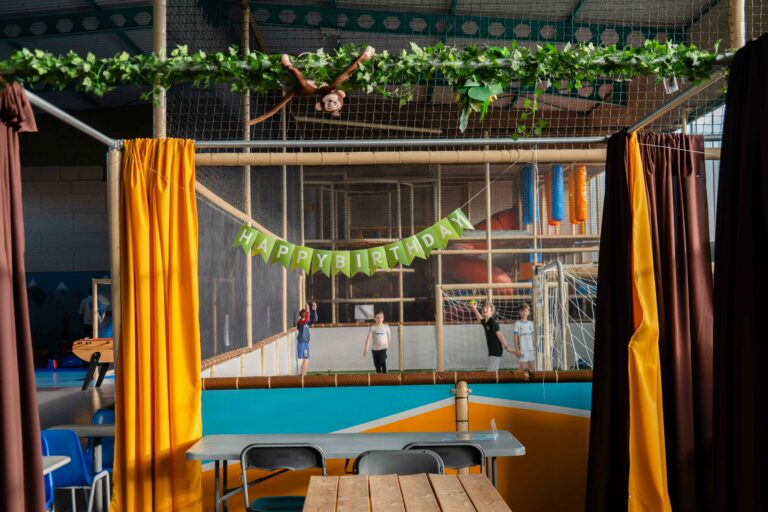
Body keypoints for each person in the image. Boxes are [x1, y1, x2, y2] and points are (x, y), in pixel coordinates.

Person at [471, 301, 516, 371]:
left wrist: (506, 347)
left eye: (487, 308)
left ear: (491, 311)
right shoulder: (486, 322)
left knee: (490, 373)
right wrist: (474, 309)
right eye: (483, 308)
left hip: (496, 351)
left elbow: (500, 335)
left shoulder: (492, 322)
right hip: (492, 351)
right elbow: (480, 319)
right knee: (493, 372)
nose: (484, 309)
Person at [296, 301, 318, 376]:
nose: (308, 316)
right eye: (306, 314)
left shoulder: (306, 322)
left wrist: (314, 310)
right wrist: (308, 311)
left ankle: (303, 375)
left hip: (306, 343)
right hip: (301, 343)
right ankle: (302, 375)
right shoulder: (300, 323)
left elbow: (314, 320)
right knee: (303, 359)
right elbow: (305, 321)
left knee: (306, 359)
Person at [513, 303, 535, 371]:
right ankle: (513, 376)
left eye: (525, 311)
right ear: (519, 312)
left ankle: (530, 378)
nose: (524, 313)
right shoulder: (517, 324)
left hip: (531, 349)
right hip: (522, 349)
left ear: (528, 312)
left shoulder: (531, 324)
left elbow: (533, 337)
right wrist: (517, 349)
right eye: (522, 311)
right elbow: (515, 338)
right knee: (523, 367)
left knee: (531, 368)